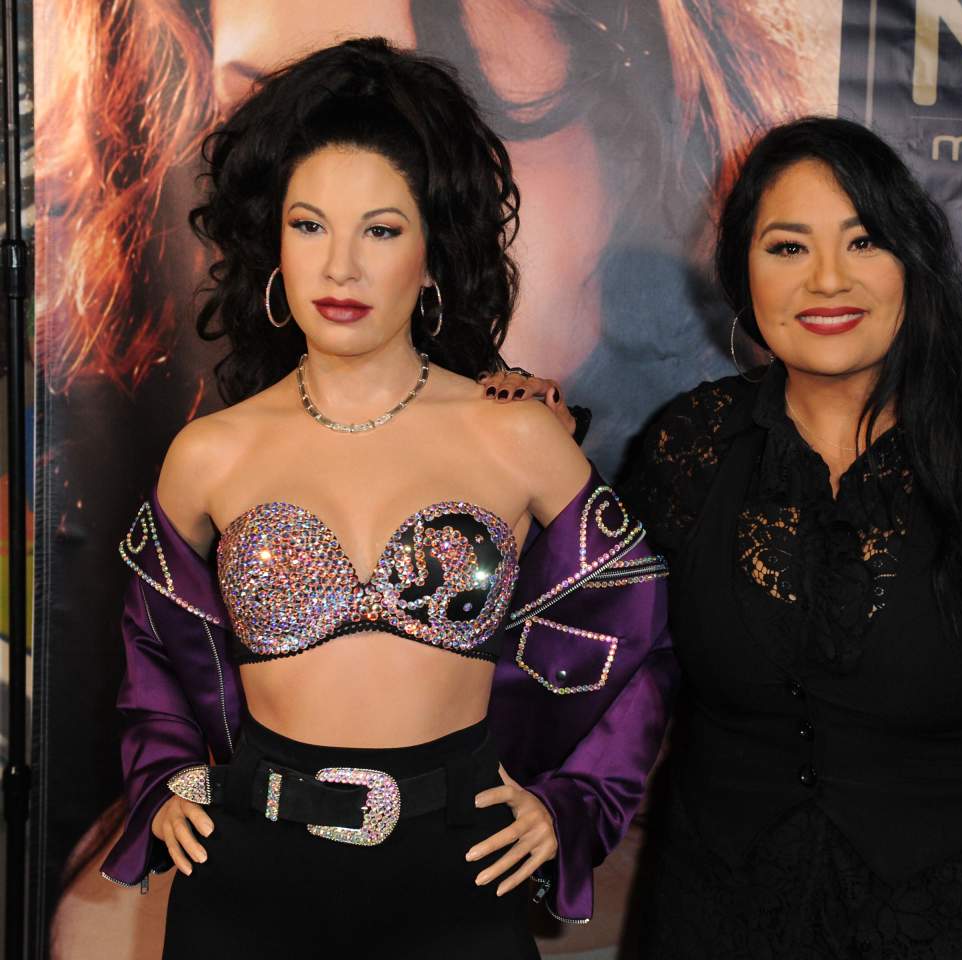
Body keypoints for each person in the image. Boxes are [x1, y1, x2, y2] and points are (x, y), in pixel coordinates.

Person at [485, 117, 962, 959]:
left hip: (959, 928)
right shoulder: (692, 445)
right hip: (714, 922)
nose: (828, 280)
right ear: (744, 274)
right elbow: (607, 649)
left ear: (913, 261)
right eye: (788, 247)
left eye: (863, 241)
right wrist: (530, 465)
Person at [99, 38, 674, 959]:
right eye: (309, 226)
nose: (340, 268)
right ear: (273, 245)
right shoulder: (210, 453)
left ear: (433, 254)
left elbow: (639, 636)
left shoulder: (516, 434)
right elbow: (149, 651)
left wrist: (573, 803)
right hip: (250, 880)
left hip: (459, 873)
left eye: (381, 230)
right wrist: (165, 778)